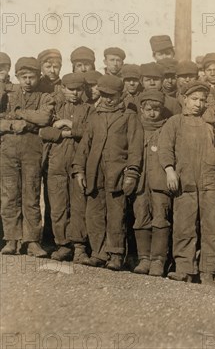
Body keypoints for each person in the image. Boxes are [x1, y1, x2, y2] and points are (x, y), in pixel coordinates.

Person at [72, 75, 143, 270]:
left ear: (121, 95)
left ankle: (116, 254)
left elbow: (135, 148)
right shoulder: (95, 115)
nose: (107, 99)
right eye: (103, 95)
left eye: (111, 95)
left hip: (117, 172)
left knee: (116, 214)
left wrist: (132, 173)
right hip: (94, 172)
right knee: (94, 212)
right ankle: (98, 252)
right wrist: (79, 169)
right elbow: (84, 145)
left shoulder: (129, 117)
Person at [158, 81, 215, 285]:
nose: (198, 104)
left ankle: (207, 271)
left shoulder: (209, 122)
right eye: (194, 99)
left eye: (202, 100)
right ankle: (184, 269)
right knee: (184, 226)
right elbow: (165, 147)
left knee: (211, 227)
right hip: (184, 182)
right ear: (184, 99)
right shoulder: (175, 122)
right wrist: (170, 170)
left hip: (208, 182)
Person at [0, 57, 55, 257]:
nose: (28, 81)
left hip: (32, 150)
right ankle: (11, 239)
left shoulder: (45, 96)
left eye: (32, 77)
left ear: (39, 77)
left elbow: (44, 118)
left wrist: (18, 114)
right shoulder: (7, 94)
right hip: (7, 149)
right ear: (17, 77)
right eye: (24, 77)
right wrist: (13, 124)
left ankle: (32, 240)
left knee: (31, 194)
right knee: (9, 195)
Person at [39, 73, 94, 262]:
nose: (75, 93)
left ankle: (79, 247)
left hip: (79, 163)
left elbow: (92, 131)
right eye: (71, 89)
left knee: (79, 205)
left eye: (79, 89)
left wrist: (68, 126)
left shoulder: (89, 109)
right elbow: (42, 130)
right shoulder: (54, 107)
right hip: (56, 162)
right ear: (63, 88)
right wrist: (64, 134)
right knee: (58, 207)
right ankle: (63, 245)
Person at [131, 90, 172, 277]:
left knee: (160, 218)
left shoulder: (167, 128)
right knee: (140, 217)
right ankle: (144, 258)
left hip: (160, 182)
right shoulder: (135, 126)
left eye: (157, 109)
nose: (153, 113)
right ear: (141, 109)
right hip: (139, 182)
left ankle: (158, 260)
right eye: (149, 109)